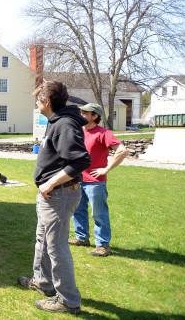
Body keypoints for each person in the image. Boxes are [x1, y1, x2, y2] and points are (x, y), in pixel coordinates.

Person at [17, 80, 91, 314]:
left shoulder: (65, 124)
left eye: (38, 100)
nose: (37, 104)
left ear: (46, 102)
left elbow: (80, 160)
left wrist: (50, 182)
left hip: (59, 195)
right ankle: (43, 282)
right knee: (43, 240)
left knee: (57, 247)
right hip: (52, 196)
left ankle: (68, 300)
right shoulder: (57, 121)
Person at [70, 103, 127, 257]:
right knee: (77, 210)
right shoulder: (79, 132)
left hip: (95, 182)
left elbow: (122, 151)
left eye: (85, 113)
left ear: (94, 116)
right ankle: (82, 238)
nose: (81, 115)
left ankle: (103, 245)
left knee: (99, 213)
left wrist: (106, 169)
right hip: (76, 179)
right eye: (81, 112)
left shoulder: (104, 133)